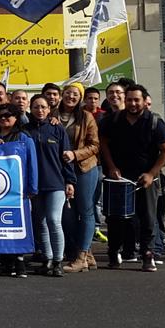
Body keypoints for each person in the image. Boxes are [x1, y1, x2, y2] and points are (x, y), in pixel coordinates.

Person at [99, 84, 165, 272]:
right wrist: (111, 167)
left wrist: (151, 173)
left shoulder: (155, 121)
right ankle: (114, 252)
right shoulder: (113, 120)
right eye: (129, 99)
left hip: (146, 179)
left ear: (143, 100)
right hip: (119, 179)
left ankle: (148, 254)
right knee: (115, 218)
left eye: (136, 100)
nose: (132, 103)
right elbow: (104, 144)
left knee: (147, 219)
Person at [0, 103, 37, 277]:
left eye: (8, 116)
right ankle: (5, 262)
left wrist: (32, 187)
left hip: (18, 190)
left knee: (18, 224)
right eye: (1, 116)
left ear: (16, 117)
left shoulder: (24, 138)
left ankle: (19, 261)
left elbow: (32, 164)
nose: (4, 119)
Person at [26, 95, 76, 277]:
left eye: (43, 107)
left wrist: (70, 181)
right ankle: (46, 259)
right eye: (36, 107)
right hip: (34, 185)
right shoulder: (25, 131)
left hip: (56, 182)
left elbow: (67, 156)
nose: (40, 110)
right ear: (30, 109)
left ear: (49, 110)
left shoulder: (57, 129)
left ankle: (57, 261)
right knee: (40, 223)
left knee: (54, 220)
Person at [57, 84, 101, 273]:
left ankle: (82, 256)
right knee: (68, 214)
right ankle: (85, 251)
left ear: (80, 97)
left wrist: (76, 154)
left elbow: (95, 145)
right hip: (61, 170)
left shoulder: (86, 117)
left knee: (86, 210)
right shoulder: (53, 115)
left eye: (75, 94)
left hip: (84, 168)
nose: (71, 97)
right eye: (68, 93)